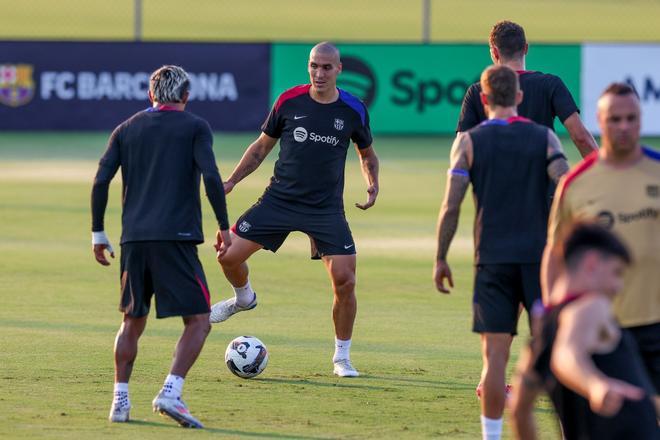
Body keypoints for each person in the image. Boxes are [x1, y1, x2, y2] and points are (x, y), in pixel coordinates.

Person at [209, 42, 379, 378]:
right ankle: (243, 299)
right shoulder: (289, 101)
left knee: (344, 281)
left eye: (326, 67)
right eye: (314, 65)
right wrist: (231, 181)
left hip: (325, 209)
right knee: (227, 255)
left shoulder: (353, 109)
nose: (319, 73)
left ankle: (341, 358)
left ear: (339, 70)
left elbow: (367, 154)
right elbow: (260, 149)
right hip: (279, 201)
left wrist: (372, 181)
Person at [433, 64, 569, 440]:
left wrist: (441, 257)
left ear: (485, 98)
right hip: (539, 263)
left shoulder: (469, 143)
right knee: (553, 354)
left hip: (492, 261)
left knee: (495, 359)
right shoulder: (544, 138)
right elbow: (567, 185)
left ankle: (491, 437)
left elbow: (451, 206)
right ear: (521, 98)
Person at [91, 65, 231, 428]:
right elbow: (212, 177)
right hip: (177, 239)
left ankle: (119, 401)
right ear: (185, 96)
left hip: (134, 240)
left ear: (150, 95)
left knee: (131, 321)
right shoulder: (196, 127)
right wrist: (222, 225)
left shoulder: (127, 128)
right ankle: (171, 391)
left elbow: (101, 179)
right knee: (199, 321)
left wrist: (97, 233)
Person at [542, 83, 660, 397]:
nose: (623, 126)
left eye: (631, 118)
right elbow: (555, 254)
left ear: (641, 119)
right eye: (615, 119)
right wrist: (554, 316)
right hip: (599, 326)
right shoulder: (576, 184)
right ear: (599, 120)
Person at [510, 222, 659, 439]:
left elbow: (519, 410)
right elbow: (567, 354)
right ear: (592, 264)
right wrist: (594, 384)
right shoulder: (591, 307)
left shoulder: (542, 335)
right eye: (616, 273)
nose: (618, 287)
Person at [456, 20, 598, 158]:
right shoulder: (550, 84)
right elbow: (581, 138)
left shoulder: (477, 91)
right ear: (526, 48)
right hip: (541, 179)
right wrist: (604, 172)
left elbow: (460, 148)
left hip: (492, 180)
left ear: (495, 52)